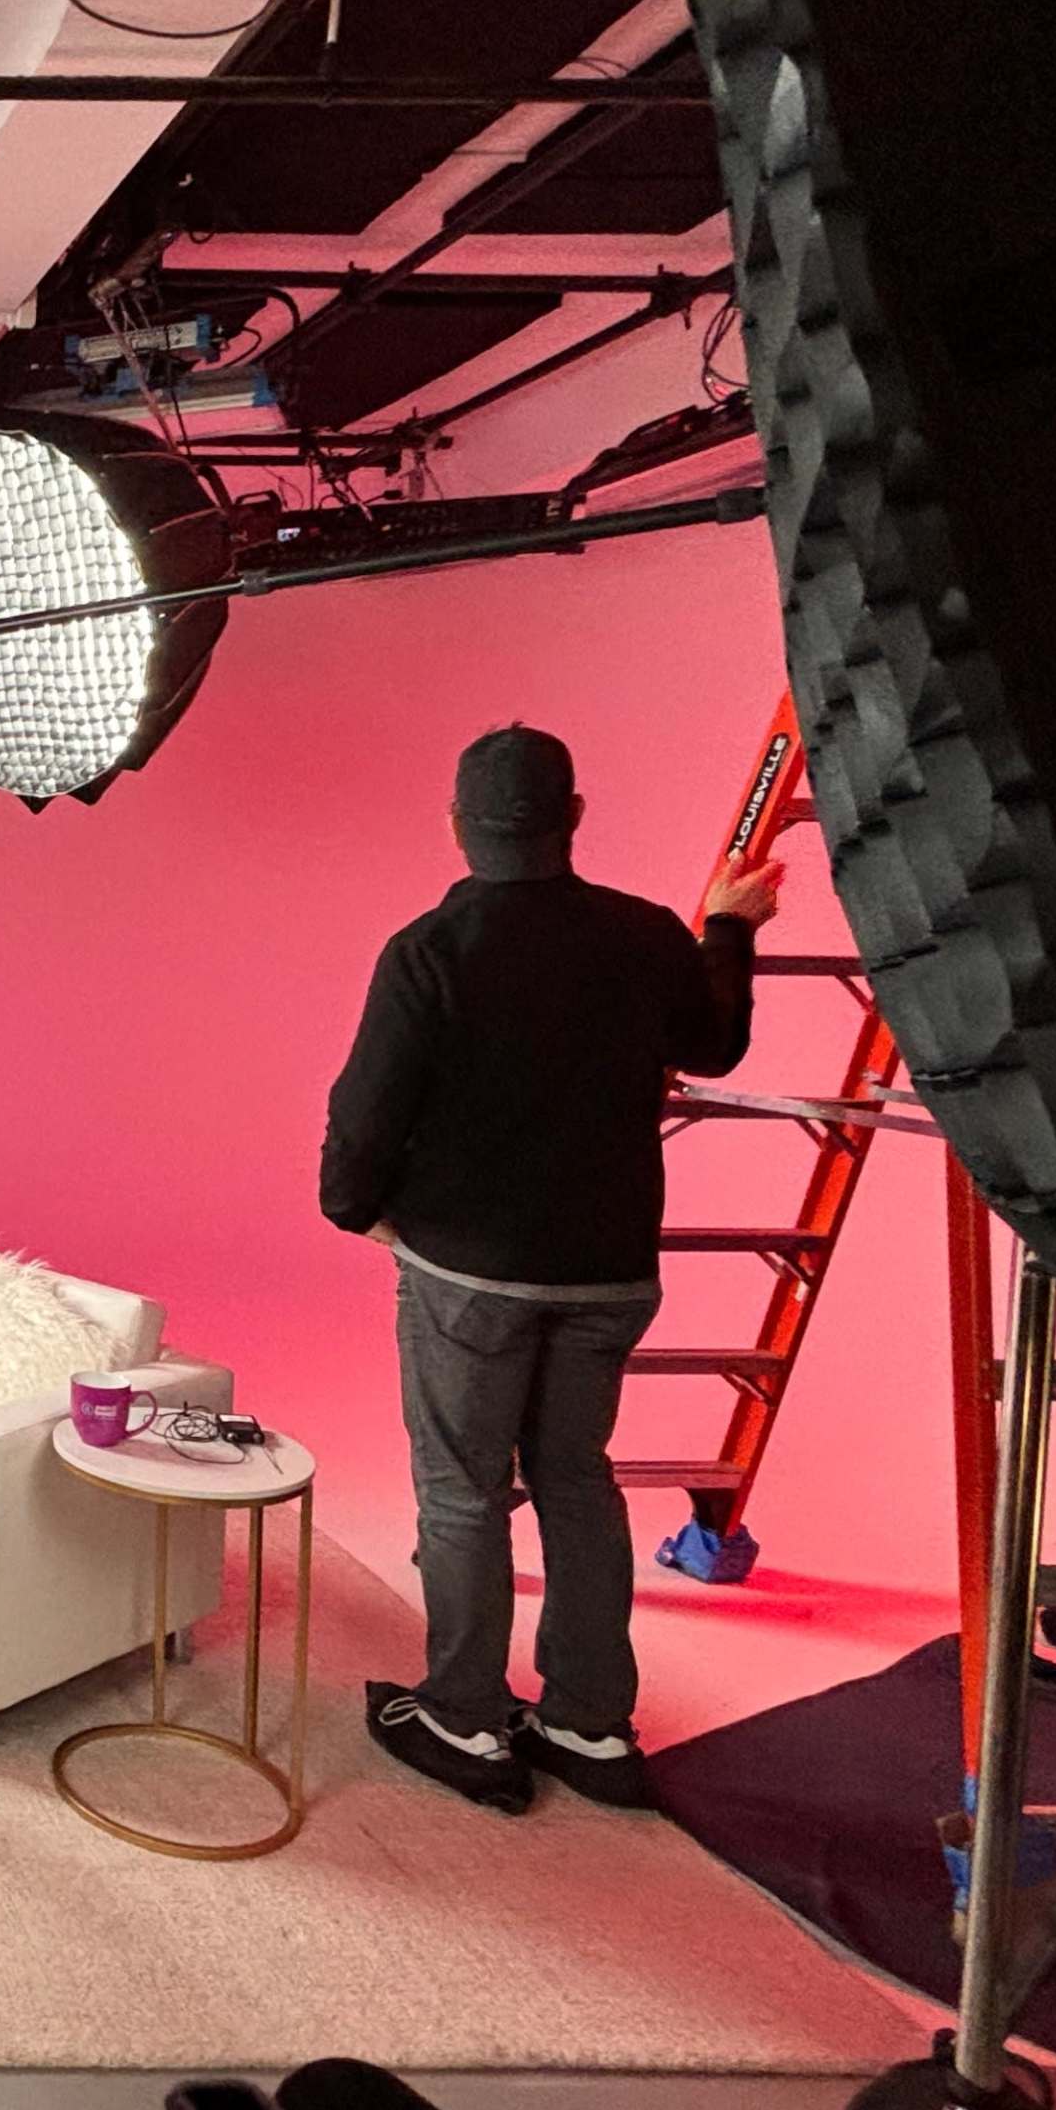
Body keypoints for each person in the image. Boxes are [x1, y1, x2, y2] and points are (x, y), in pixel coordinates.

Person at [320, 724, 784, 1813]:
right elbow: (715, 1045)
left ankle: (465, 1719)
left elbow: (363, 1116)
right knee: (577, 1480)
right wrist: (729, 925)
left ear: (457, 824)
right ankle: (589, 1724)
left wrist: (355, 1213)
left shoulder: (430, 950)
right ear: (573, 818)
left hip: (471, 1277)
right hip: (609, 1276)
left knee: (464, 1492)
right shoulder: (645, 934)